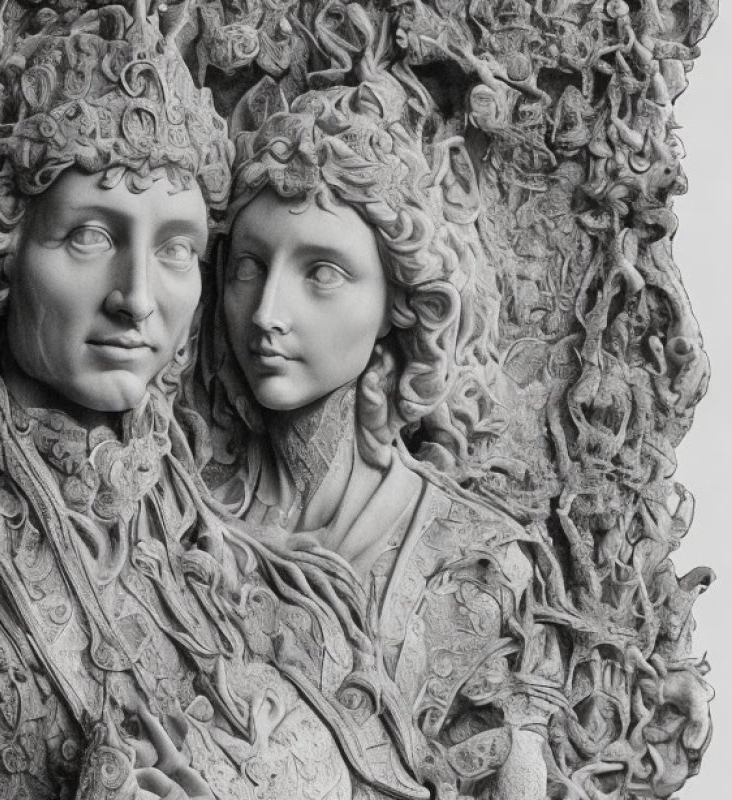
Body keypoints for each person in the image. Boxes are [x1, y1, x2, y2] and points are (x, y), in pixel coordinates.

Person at [0, 4, 425, 799]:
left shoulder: (254, 558)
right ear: (0, 255)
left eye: (176, 248)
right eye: (91, 238)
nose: (137, 299)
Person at [197, 30, 566, 800]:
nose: (268, 313)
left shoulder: (474, 564)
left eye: (321, 273)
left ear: (400, 301)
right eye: (249, 269)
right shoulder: (185, 509)